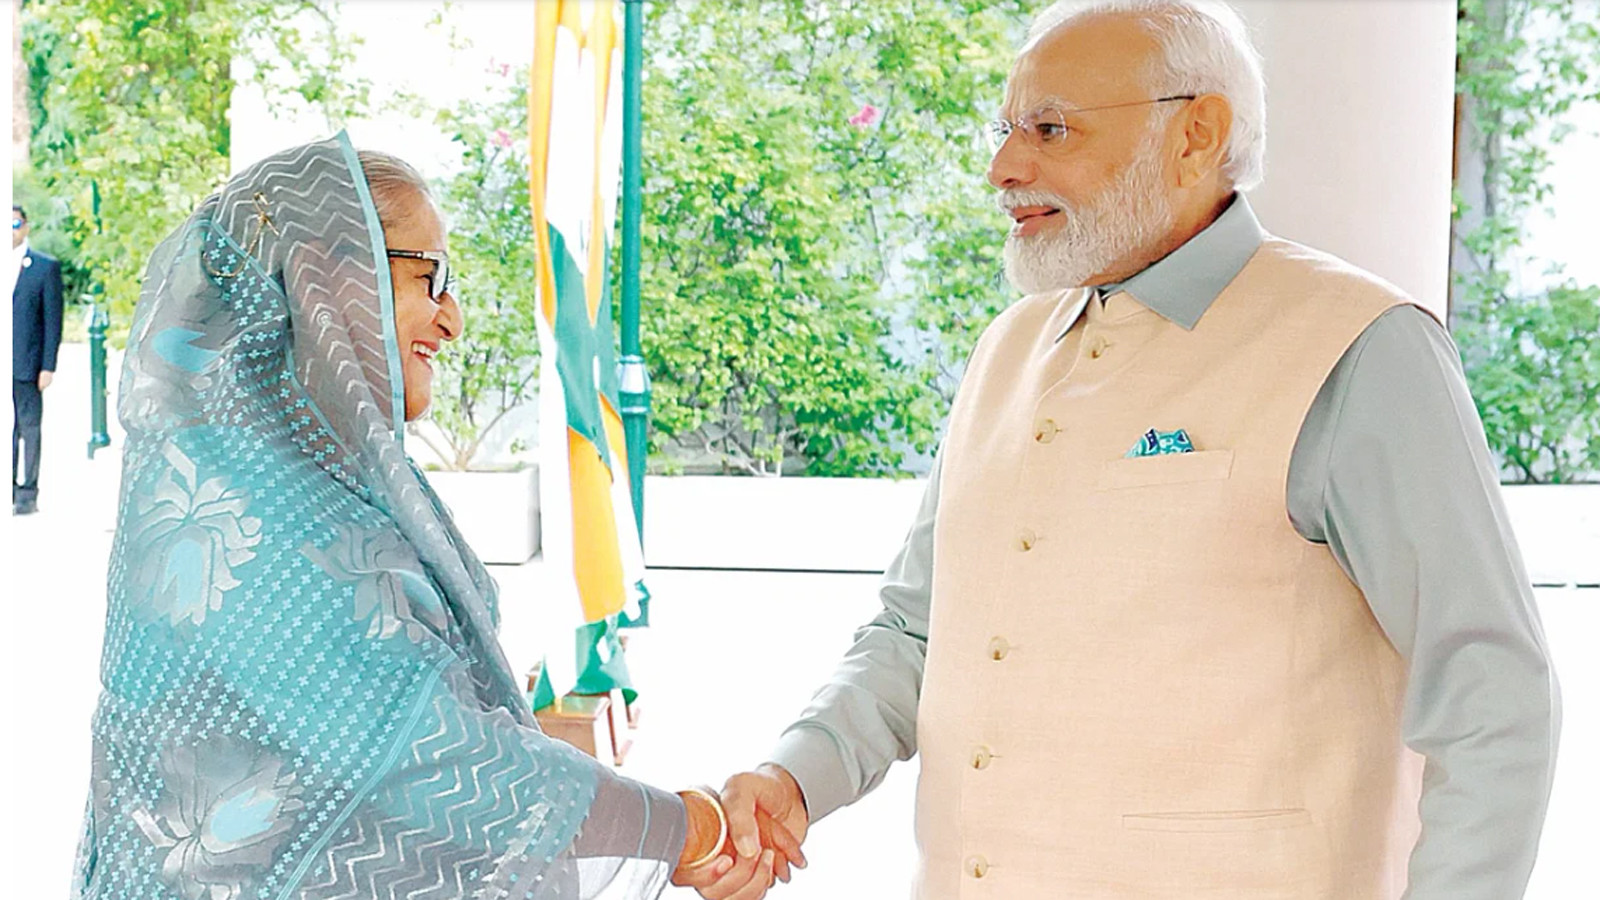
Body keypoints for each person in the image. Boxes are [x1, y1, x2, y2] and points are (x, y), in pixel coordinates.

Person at [682, 2, 1560, 899]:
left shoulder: (1362, 346)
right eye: (1007, 128)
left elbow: (1493, 697)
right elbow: (915, 632)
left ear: (1196, 134)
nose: (1003, 168)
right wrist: (795, 778)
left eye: (1050, 128)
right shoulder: (1006, 350)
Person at [71, 134, 796, 900]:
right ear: (323, 280)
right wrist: (692, 827)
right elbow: (435, 757)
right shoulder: (251, 515)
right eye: (432, 277)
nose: (452, 320)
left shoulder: (311, 477)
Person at [12, 203, 64, 516]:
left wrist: (48, 365)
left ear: (26, 227)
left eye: (14, 225)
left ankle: (27, 494)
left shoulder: (44, 267)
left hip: (26, 364)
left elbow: (52, 320)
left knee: (28, 428)